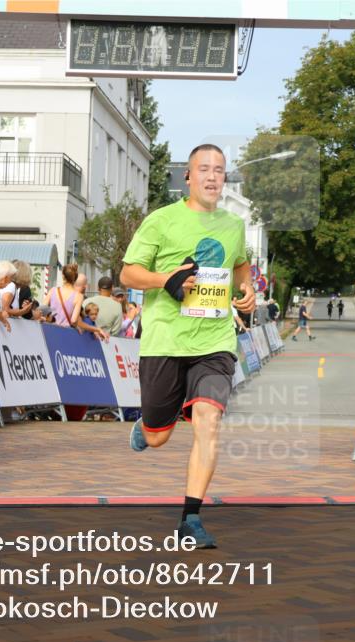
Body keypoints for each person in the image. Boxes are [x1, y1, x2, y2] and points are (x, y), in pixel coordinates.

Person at [120, 143, 255, 548]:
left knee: (208, 423)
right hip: (165, 339)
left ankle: (190, 518)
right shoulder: (161, 221)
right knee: (160, 436)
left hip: (214, 341)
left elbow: (241, 264)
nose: (213, 177)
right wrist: (167, 280)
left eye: (219, 171)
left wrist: (246, 288)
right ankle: (147, 428)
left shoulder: (233, 225)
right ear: (188, 177)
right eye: (204, 170)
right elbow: (128, 274)